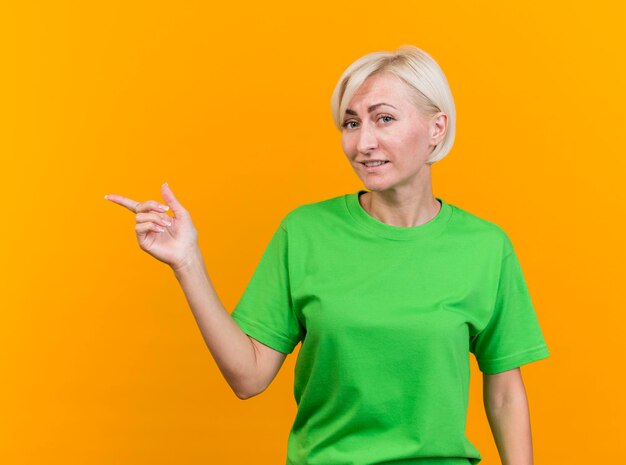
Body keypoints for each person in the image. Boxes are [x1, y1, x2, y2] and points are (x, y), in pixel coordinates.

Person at [105, 45, 550, 465]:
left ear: (437, 127)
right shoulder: (305, 232)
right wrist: (187, 262)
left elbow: (506, 391)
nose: (363, 143)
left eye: (385, 119)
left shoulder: (485, 247)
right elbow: (249, 378)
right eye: (352, 123)